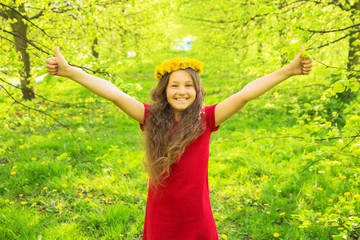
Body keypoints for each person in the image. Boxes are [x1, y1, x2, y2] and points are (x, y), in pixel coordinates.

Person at [45, 46, 312, 240]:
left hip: (197, 213)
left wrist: (288, 71)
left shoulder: (206, 119)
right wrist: (71, 72)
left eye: (188, 86)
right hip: (162, 215)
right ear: (164, 90)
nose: (181, 91)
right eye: (174, 86)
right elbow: (114, 94)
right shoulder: (150, 117)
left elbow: (245, 95)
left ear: (197, 91)